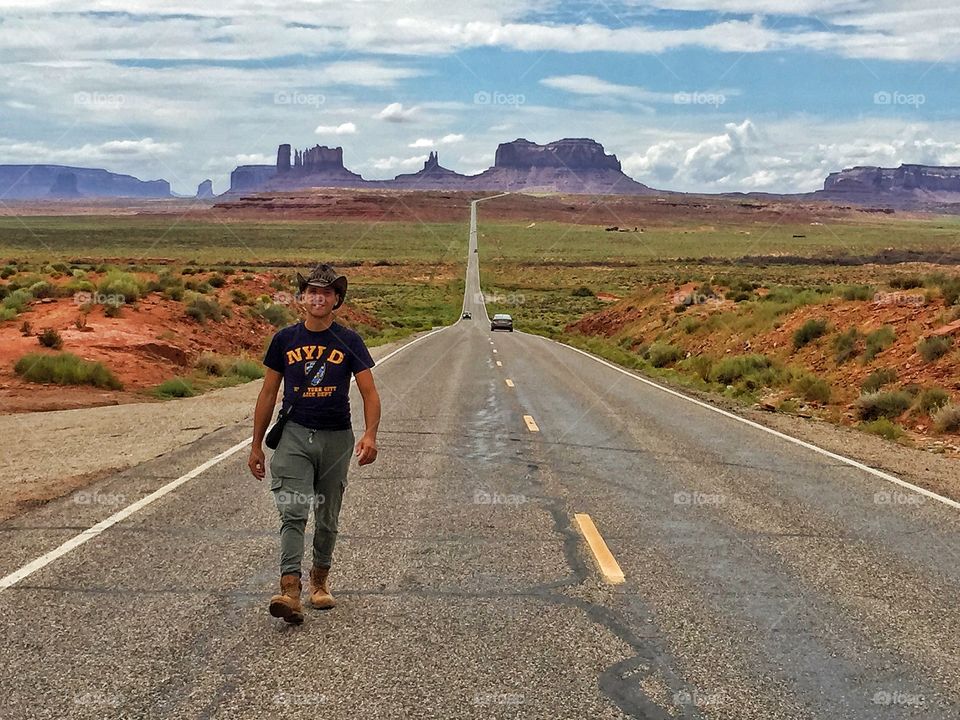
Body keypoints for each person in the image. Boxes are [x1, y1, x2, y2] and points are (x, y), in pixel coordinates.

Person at [248, 263, 381, 624]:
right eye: (311, 291)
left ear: (337, 299)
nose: (318, 297)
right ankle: (289, 590)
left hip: (337, 437)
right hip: (294, 435)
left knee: (327, 514)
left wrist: (369, 434)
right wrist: (256, 444)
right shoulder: (284, 340)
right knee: (293, 510)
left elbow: (369, 392)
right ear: (302, 297)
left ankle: (319, 583)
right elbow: (268, 392)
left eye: (326, 292)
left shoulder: (349, 341)